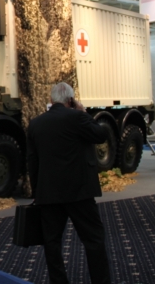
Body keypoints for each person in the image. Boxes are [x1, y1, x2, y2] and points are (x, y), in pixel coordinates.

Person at [27, 82, 110, 284]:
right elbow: (101, 135)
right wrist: (83, 112)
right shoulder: (77, 117)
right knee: (93, 240)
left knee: (52, 242)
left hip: (49, 193)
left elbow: (32, 161)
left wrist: (38, 191)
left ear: (51, 100)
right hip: (79, 191)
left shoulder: (36, 124)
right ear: (71, 100)